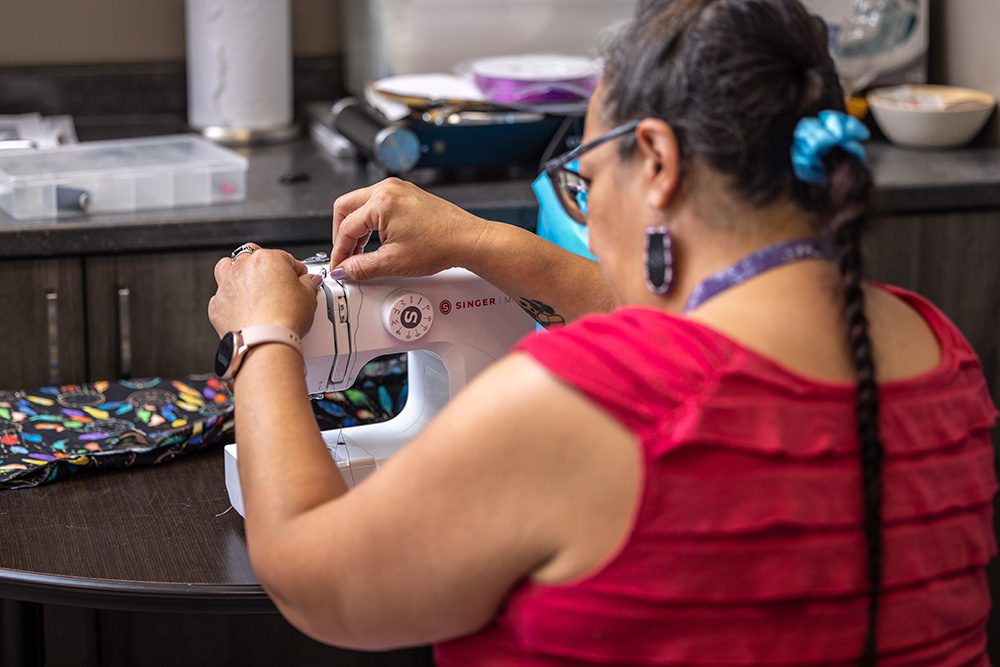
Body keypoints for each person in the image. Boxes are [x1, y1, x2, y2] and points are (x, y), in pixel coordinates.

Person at [208, 0, 998, 664]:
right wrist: (483, 242)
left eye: (585, 182)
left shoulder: (580, 402)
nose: (588, 207)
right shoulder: (940, 353)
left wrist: (262, 333)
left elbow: (315, 574)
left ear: (655, 159)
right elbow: (698, 333)